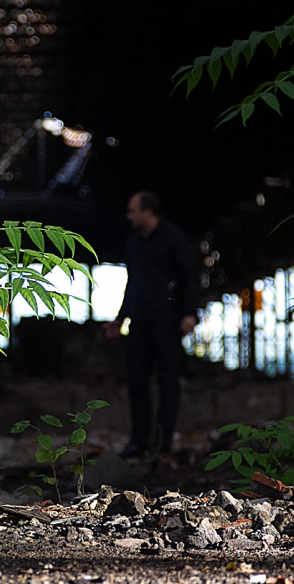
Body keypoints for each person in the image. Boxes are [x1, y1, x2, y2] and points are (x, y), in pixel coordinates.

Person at [105, 191, 200, 459]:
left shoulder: (174, 238)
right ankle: (139, 440)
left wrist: (190, 313)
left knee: (168, 381)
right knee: (137, 380)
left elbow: (190, 277)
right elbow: (132, 282)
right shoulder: (134, 241)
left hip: (167, 320)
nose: (129, 216)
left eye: (132, 211)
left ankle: (162, 440)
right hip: (140, 320)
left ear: (148, 211)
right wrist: (121, 317)